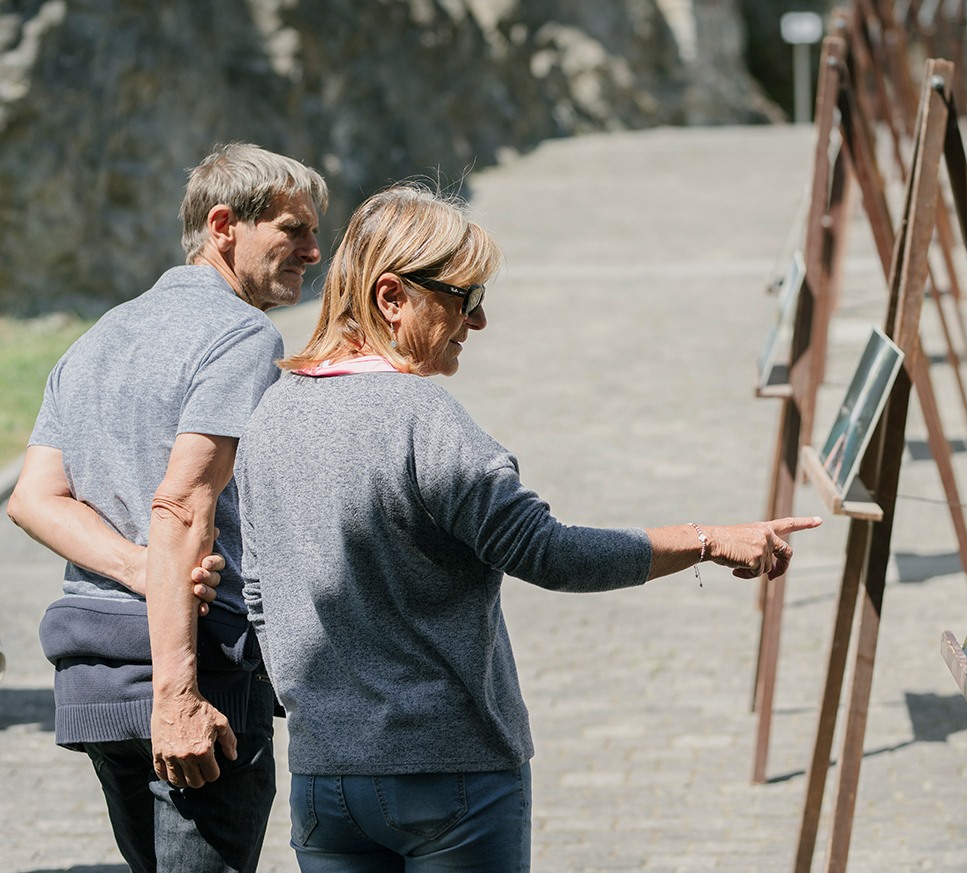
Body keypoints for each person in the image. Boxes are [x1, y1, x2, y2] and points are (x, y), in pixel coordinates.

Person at [234, 182, 822, 871]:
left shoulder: (270, 414)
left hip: (324, 783)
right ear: (392, 297)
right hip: (451, 778)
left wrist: (321, 711)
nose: (478, 320)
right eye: (465, 297)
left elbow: (258, 593)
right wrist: (707, 539)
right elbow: (549, 553)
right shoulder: (423, 418)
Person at [6, 142, 328, 871]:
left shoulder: (99, 337)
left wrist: (140, 568)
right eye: (293, 230)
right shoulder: (243, 335)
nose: (314, 251)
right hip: (193, 676)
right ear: (224, 225)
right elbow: (181, 503)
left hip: (97, 675)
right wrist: (177, 697)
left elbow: (34, 498)